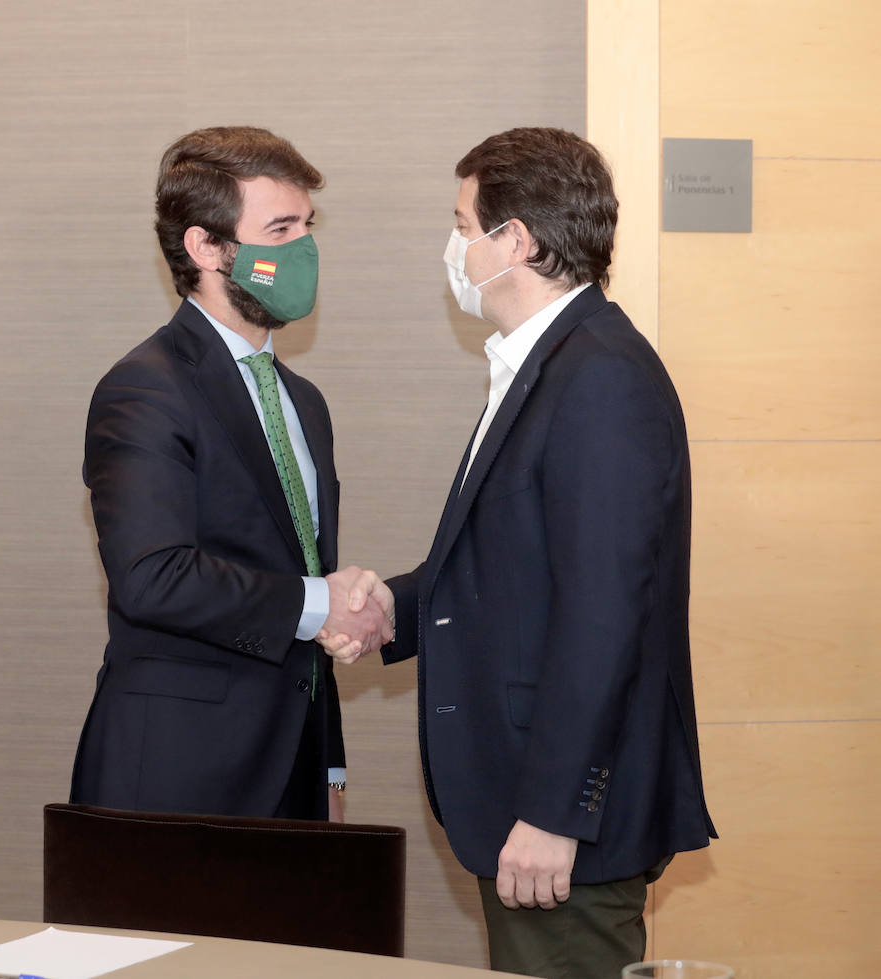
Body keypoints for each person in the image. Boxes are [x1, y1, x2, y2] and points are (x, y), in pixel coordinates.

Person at [373, 128, 716, 977]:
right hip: (531, 803)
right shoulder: (545, 363)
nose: (454, 248)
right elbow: (511, 569)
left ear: (515, 240)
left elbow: (606, 612)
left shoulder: (599, 376)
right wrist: (390, 610)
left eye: (463, 225)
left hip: (563, 823)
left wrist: (557, 811)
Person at [69, 126, 393, 823]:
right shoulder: (145, 389)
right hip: (177, 775)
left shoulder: (303, 401)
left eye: (308, 226)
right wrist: (320, 604)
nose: (303, 249)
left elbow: (308, 573)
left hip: (296, 776)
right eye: (280, 228)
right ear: (206, 246)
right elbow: (153, 576)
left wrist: (330, 766)